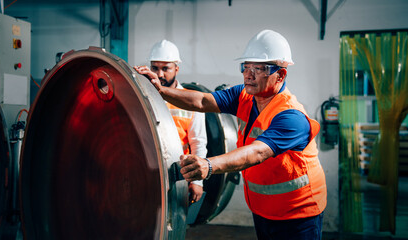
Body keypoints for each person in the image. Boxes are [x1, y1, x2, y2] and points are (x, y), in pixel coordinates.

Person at [135, 30, 327, 240]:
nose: (248, 74)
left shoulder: (292, 117)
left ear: (280, 75)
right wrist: (161, 91)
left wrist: (208, 166)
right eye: (246, 67)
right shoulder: (244, 96)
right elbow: (201, 101)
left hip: (298, 213)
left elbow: (256, 153)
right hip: (264, 209)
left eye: (259, 68)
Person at [147, 39, 208, 204]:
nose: (160, 74)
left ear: (177, 69)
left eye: (166, 68)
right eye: (155, 68)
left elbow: (198, 144)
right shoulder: (143, 97)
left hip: (178, 174)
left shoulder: (190, 101)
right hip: (147, 170)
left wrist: (196, 182)